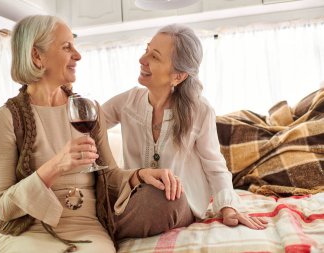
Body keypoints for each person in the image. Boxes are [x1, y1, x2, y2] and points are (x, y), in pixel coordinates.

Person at [0, 15, 188, 253]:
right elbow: (3, 207)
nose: (77, 55)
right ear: (37, 56)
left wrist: (140, 175)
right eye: (66, 47)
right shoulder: (4, 119)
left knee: (169, 198)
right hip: (31, 229)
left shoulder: (88, 109)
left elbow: (109, 176)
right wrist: (56, 165)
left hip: (88, 226)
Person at [102, 24, 269, 230]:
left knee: (166, 198)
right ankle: (105, 223)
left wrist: (228, 207)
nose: (142, 59)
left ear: (178, 76)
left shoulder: (199, 110)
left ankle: (105, 225)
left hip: (177, 203)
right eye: (146, 50)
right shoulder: (127, 102)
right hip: (135, 198)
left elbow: (214, 165)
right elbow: (90, 125)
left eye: (154, 56)